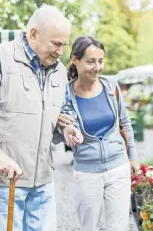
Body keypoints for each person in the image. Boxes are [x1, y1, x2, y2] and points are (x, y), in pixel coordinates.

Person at [0, 5, 71, 231]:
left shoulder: (60, 71)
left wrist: (67, 127)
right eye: (56, 44)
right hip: (3, 180)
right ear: (34, 34)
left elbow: (63, 110)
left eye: (64, 45)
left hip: (43, 178)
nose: (61, 51)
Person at [58, 36, 140, 231]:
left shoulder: (111, 87)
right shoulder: (65, 94)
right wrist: (66, 132)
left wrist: (133, 157)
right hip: (87, 171)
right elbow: (61, 128)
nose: (97, 67)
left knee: (118, 227)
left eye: (100, 61)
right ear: (75, 60)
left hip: (118, 168)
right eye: (91, 61)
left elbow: (125, 123)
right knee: (89, 227)